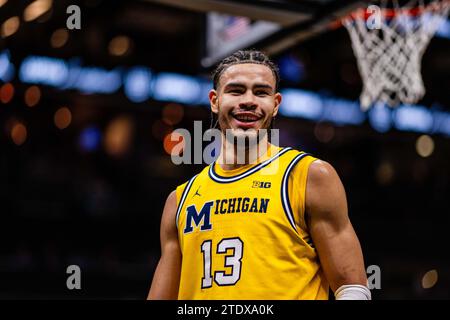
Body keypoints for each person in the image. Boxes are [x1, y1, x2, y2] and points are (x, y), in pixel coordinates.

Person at [148, 50, 370, 300]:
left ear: (275, 105)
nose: (249, 100)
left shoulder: (308, 176)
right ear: (215, 100)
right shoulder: (179, 201)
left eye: (261, 92)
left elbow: (352, 287)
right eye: (236, 90)